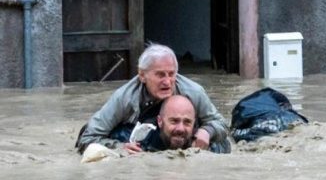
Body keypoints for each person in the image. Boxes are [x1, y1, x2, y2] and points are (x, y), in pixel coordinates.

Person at [76, 43, 231, 154]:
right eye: (160, 75)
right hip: (138, 137)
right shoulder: (124, 98)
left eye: (171, 74)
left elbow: (221, 123)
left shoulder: (193, 92)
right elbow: (88, 137)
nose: (167, 81)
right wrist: (119, 148)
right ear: (142, 75)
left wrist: (207, 131)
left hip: (177, 136)